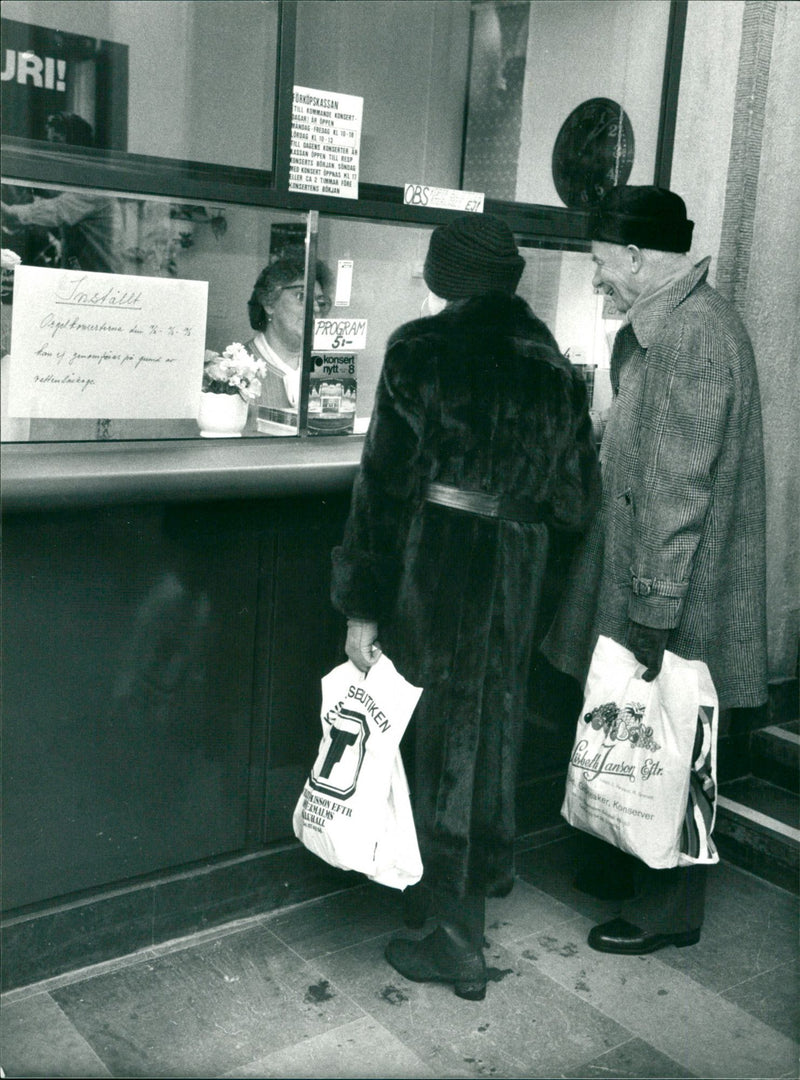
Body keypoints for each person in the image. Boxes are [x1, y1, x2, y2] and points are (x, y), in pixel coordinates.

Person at [330, 213, 601, 1000]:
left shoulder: (419, 351)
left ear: (449, 275)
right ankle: (464, 907)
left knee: (438, 735)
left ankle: (450, 936)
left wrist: (362, 607)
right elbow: (577, 500)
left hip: (436, 564)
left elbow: (381, 491)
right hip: (514, 569)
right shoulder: (551, 363)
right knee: (490, 732)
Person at [542, 185, 768, 954]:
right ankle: (625, 864)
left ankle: (669, 911)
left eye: (603, 265)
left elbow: (679, 487)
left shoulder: (693, 333)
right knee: (641, 727)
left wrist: (654, 602)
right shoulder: (674, 324)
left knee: (674, 734)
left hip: (679, 584)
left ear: (638, 255)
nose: (599, 281)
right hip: (654, 569)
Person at [0, 113, 121, 275]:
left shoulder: (93, 185)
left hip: (104, 284)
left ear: (76, 147)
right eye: (49, 143)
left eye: (57, 143)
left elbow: (55, 211)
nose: (51, 152)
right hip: (82, 282)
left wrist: (11, 212)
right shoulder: (72, 184)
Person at [244, 252, 331, 433]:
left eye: (320, 301)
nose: (315, 308)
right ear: (269, 304)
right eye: (302, 297)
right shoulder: (234, 367)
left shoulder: (326, 367)